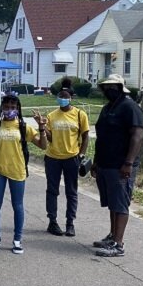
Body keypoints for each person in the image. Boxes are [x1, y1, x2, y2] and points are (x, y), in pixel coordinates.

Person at [0, 95, 47, 255]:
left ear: (17, 109)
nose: (9, 110)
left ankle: (17, 239)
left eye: (13, 107)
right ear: (2, 108)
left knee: (17, 205)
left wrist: (41, 128)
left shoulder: (23, 127)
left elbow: (43, 145)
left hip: (18, 170)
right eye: (6, 106)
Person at [92, 74, 143, 257]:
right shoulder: (107, 108)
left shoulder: (130, 107)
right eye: (106, 87)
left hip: (121, 166)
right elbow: (101, 136)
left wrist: (128, 163)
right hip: (105, 164)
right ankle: (112, 236)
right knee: (112, 203)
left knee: (121, 203)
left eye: (113, 87)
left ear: (121, 87)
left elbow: (137, 136)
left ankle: (119, 244)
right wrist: (96, 161)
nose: (109, 90)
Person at [44, 80, 89, 237]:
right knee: (52, 190)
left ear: (71, 97)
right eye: (60, 96)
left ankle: (70, 223)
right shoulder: (51, 116)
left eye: (65, 96)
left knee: (71, 191)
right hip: (52, 158)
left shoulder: (79, 114)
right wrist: (43, 127)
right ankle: (52, 222)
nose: (62, 98)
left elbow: (85, 136)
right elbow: (49, 138)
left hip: (72, 158)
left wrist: (81, 154)